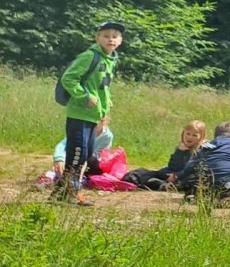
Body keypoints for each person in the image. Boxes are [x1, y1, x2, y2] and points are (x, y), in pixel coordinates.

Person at [58, 22, 123, 206]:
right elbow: (69, 78)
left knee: (85, 154)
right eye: (106, 35)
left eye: (115, 36)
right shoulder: (90, 56)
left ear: (120, 40)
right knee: (77, 155)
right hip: (80, 114)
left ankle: (61, 193)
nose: (110, 39)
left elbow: (102, 86)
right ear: (97, 38)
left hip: (94, 115)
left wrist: (106, 103)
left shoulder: (110, 60)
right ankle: (69, 194)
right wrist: (84, 96)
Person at [124, 120, 207, 190]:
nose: (190, 137)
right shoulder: (182, 146)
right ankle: (141, 180)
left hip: (186, 176)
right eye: (188, 134)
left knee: (192, 179)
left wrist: (176, 176)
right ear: (183, 133)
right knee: (157, 172)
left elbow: (191, 169)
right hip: (173, 173)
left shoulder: (201, 150)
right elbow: (173, 166)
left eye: (194, 135)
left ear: (201, 137)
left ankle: (165, 186)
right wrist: (180, 152)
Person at [52, 117, 113, 183]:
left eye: (100, 121)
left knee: (85, 158)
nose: (96, 123)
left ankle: (77, 176)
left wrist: (84, 159)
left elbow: (100, 155)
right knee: (69, 155)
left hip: (93, 161)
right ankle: (57, 173)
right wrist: (59, 159)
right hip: (79, 156)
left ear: (104, 122)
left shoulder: (107, 136)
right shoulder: (83, 130)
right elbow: (62, 145)